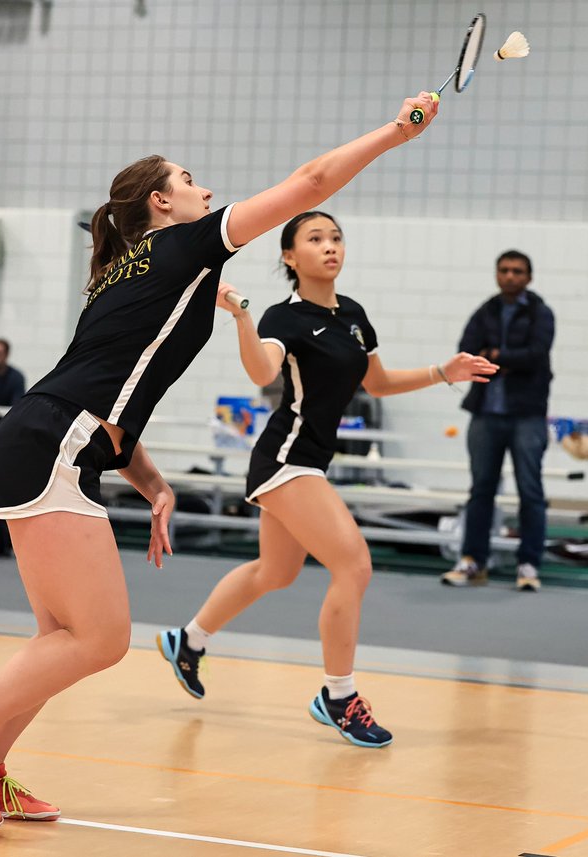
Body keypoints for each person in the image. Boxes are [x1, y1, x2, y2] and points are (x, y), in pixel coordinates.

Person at [0, 93, 442, 830]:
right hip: (50, 448)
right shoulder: (185, 245)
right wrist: (396, 130)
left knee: (60, 638)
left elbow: (107, 388)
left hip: (53, 443)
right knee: (100, 639)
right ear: (164, 202)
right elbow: (312, 182)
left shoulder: (127, 271)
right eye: (192, 179)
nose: (209, 190)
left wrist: (151, 481)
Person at [157, 212, 497, 748]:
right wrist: (242, 319)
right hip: (285, 460)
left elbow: (377, 383)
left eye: (335, 237)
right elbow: (263, 373)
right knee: (353, 564)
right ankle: (338, 696)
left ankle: (188, 640)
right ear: (291, 257)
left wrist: (441, 373)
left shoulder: (354, 315)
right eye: (315, 239)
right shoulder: (282, 318)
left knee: (275, 572)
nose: (330, 246)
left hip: (310, 460)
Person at [440, 250, 555, 591]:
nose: (509, 276)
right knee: (480, 491)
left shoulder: (541, 313)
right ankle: (473, 561)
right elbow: (466, 351)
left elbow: (536, 355)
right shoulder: (485, 311)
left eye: (517, 271)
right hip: (485, 414)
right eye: (503, 270)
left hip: (527, 416)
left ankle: (529, 564)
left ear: (528, 277)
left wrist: (496, 355)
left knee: (531, 492)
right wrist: (499, 359)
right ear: (496, 274)